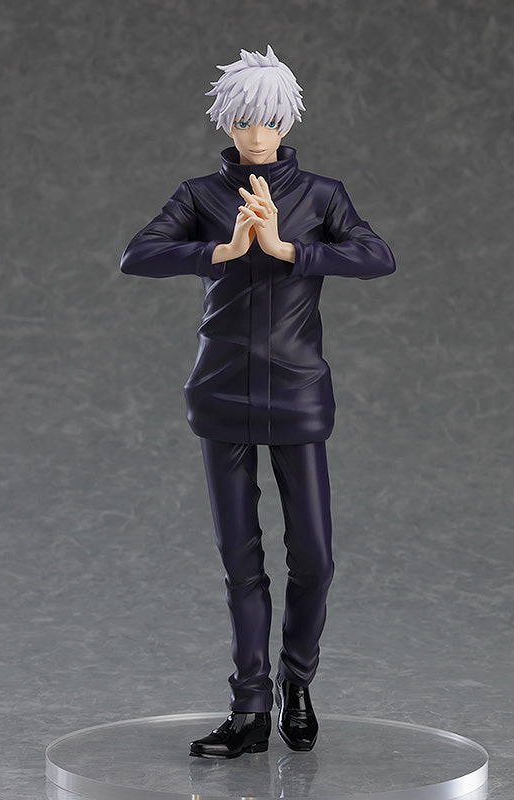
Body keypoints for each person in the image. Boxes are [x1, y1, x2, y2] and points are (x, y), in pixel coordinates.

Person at [120, 45, 396, 759]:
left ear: (287, 121)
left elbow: (377, 256)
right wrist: (219, 250)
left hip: (298, 394)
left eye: (269, 119)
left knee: (315, 558)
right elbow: (137, 254)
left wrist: (287, 250)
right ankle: (249, 709)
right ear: (226, 123)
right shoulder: (199, 195)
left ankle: (296, 684)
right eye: (244, 120)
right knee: (240, 561)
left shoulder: (322, 196)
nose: (256, 134)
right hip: (222, 392)